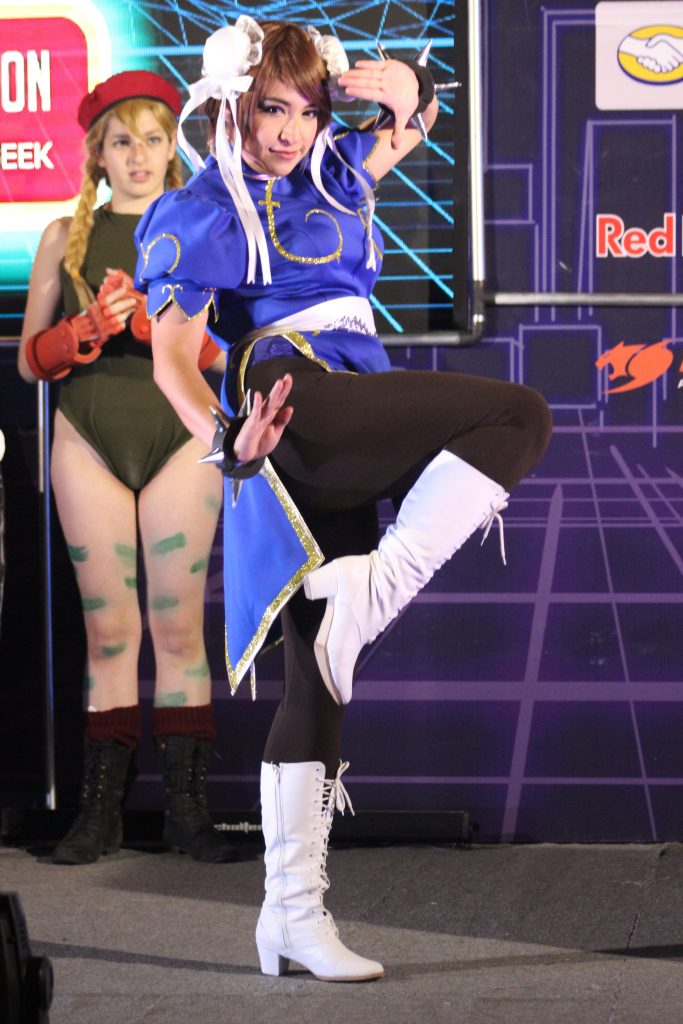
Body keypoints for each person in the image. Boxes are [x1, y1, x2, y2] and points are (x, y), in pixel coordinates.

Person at [135, 18, 553, 981]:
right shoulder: (201, 209)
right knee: (518, 414)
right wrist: (225, 443)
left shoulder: (335, 172)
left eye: (307, 111)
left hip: (345, 410)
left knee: (319, 679)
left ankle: (290, 918)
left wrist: (407, 85)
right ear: (232, 105)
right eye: (270, 110)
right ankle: (376, 587)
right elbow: (172, 361)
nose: (288, 131)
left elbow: (413, 119)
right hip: (292, 402)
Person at [17, 71, 240, 866]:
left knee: (178, 627)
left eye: (152, 139)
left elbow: (231, 356)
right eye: (122, 141)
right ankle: (98, 815)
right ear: (98, 154)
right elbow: (30, 362)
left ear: (171, 149)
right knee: (108, 632)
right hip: (88, 439)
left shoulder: (209, 226)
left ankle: (187, 815)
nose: (138, 155)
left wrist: (161, 330)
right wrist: (80, 331)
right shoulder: (62, 237)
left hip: (182, 439)